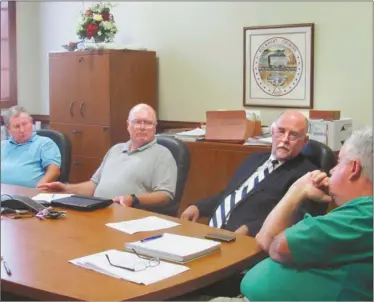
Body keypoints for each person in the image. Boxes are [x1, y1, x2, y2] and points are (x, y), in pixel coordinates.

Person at [239, 127, 373, 301]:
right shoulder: (356, 216)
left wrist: (297, 190)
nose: (331, 170)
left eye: (339, 162)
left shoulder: (363, 216)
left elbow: (273, 245)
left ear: (353, 168)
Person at [181, 110, 326, 237]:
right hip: (214, 234)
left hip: (249, 243)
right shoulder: (254, 159)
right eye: (281, 131)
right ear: (273, 132)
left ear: (305, 141)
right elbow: (231, 195)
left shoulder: (307, 175)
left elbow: (297, 218)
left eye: (293, 135)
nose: (285, 139)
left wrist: (251, 229)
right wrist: (198, 206)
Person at [38, 104, 178, 215]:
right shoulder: (116, 149)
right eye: (137, 122)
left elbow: (165, 195)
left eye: (147, 123)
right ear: (128, 125)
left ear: (155, 127)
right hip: (97, 212)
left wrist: (133, 199)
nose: (142, 127)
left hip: (130, 217)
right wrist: (66, 188)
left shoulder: (162, 155)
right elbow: (94, 185)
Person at [1, 105, 61, 188]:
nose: (22, 130)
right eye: (17, 126)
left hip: (30, 197)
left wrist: (39, 188)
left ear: (31, 122)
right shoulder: (2, 146)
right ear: (9, 129)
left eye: (25, 124)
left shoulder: (45, 143)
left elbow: (54, 171)